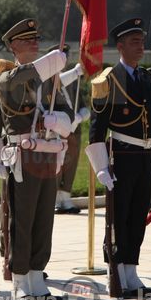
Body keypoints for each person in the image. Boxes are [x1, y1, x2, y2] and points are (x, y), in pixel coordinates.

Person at [0, 19, 68, 300]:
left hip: (47, 154)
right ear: (13, 46)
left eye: (36, 38)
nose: (34, 42)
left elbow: (69, 114)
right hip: (21, 157)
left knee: (44, 219)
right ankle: (19, 282)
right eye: (27, 39)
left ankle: (37, 279)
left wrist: (59, 120)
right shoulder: (5, 79)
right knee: (21, 221)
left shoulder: (50, 79)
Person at [87, 18, 151, 299]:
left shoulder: (149, 79)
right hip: (122, 156)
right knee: (119, 217)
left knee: (138, 216)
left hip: (144, 155)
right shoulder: (108, 80)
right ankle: (114, 271)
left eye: (142, 41)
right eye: (134, 42)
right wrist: (100, 167)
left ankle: (131, 269)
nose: (140, 47)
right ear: (120, 46)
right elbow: (97, 129)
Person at [51, 43, 90, 215]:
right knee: (57, 164)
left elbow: (83, 106)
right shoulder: (50, 79)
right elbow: (57, 83)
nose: (64, 60)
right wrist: (75, 72)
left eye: (66, 56)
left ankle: (65, 198)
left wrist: (79, 117)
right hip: (56, 131)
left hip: (74, 131)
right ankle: (54, 198)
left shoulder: (74, 82)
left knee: (71, 164)